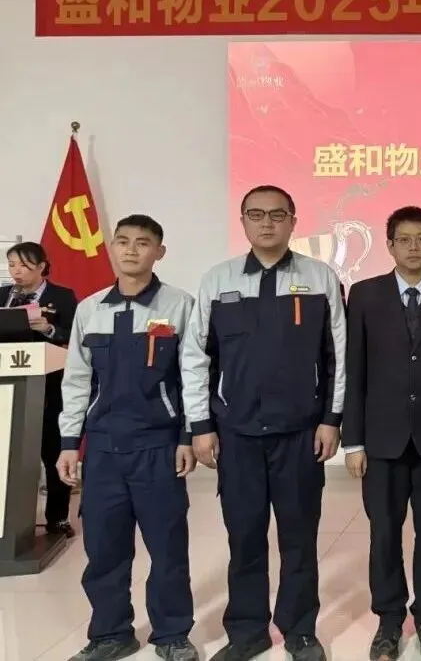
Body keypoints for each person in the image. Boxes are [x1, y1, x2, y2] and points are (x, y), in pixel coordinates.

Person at [181, 185, 346, 661]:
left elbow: (337, 355)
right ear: (243, 221)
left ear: (294, 221)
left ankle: (300, 629)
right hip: (237, 435)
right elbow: (196, 357)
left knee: (299, 538)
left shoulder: (319, 278)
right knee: (245, 536)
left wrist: (331, 419)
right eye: (256, 214)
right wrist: (200, 426)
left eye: (277, 215)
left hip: (300, 433)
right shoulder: (218, 280)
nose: (267, 223)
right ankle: (247, 632)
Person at [56, 215, 198, 661]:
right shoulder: (90, 309)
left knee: (168, 548)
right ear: (112, 248)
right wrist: (69, 443)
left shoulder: (180, 305)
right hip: (103, 450)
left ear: (160, 252)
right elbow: (77, 380)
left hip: (158, 447)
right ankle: (110, 633)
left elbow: (193, 376)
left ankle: (172, 634)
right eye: (123, 241)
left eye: (143, 242)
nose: (131, 250)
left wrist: (187, 436)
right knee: (104, 549)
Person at [341, 206, 421, 660]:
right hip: (381, 441)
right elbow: (354, 369)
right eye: (404, 239)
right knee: (384, 535)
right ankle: (389, 619)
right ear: (389, 245)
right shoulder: (365, 294)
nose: (413, 247)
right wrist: (353, 441)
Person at [2, 241, 78, 537]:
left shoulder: (62, 296)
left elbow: (75, 335)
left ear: (42, 266)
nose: (16, 271)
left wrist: (48, 329)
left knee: (52, 451)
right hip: (8, 387)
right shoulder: (3, 296)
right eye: (12, 265)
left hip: (50, 388)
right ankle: (9, 520)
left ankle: (57, 517)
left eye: (23, 265)